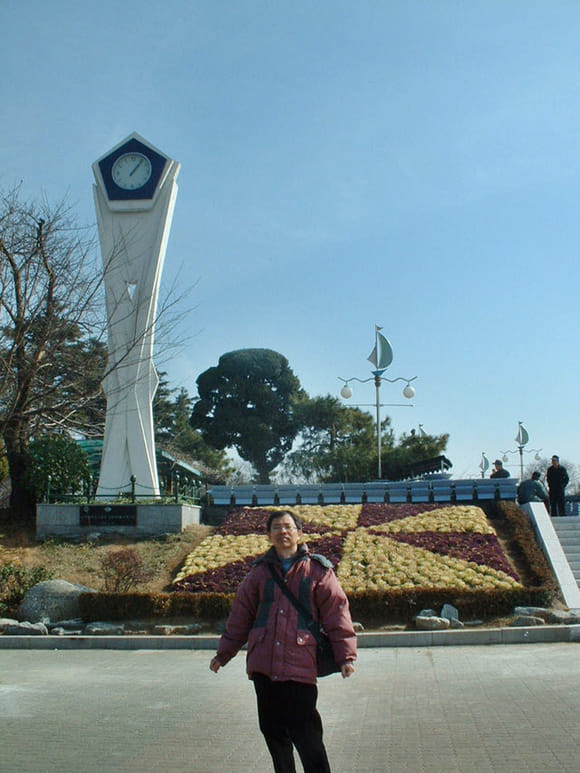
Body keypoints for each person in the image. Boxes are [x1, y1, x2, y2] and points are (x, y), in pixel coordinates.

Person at [209, 510, 357, 773]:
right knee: (274, 734)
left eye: (288, 527)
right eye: (276, 528)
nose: (283, 532)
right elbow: (240, 617)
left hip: (300, 667)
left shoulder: (318, 571)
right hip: (264, 667)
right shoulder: (258, 574)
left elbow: (337, 614)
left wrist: (345, 657)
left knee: (308, 736)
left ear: (300, 533)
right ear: (269, 535)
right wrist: (223, 654)